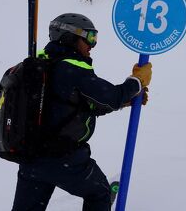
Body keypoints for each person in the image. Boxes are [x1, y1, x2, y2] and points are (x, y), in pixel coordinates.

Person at [12, 13, 152, 211]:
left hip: (31, 159)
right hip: (63, 158)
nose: (92, 45)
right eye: (89, 37)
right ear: (69, 37)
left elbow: (75, 107)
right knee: (99, 192)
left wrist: (125, 101)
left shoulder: (41, 66)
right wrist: (137, 81)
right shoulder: (71, 68)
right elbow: (110, 96)